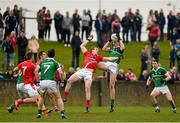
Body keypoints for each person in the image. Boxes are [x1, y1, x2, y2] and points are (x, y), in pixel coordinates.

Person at [63, 35, 118, 113]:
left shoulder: (98, 57)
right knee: (69, 81)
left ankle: (87, 107)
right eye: (96, 49)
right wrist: (88, 39)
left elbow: (108, 58)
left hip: (89, 73)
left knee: (87, 88)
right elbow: (81, 45)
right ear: (92, 50)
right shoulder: (87, 54)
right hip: (83, 70)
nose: (97, 49)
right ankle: (65, 97)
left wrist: (117, 57)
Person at [7, 52, 41, 117]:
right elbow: (36, 72)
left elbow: (15, 69)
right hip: (27, 84)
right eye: (33, 56)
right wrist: (38, 81)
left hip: (19, 85)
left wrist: (11, 73)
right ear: (32, 57)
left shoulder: (22, 63)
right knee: (35, 97)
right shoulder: (32, 65)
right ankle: (17, 102)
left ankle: (12, 107)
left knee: (30, 97)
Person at [35, 49, 66, 118]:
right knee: (58, 97)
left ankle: (39, 113)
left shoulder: (42, 62)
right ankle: (62, 114)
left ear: (47, 55)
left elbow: (36, 71)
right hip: (51, 82)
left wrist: (37, 81)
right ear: (54, 55)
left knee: (41, 97)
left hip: (42, 82)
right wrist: (62, 81)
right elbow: (61, 73)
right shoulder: (55, 62)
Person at [98, 33, 125, 112]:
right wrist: (109, 40)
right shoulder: (111, 48)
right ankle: (89, 72)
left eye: (114, 41)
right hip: (108, 63)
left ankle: (112, 104)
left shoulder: (120, 48)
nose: (113, 42)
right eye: (112, 41)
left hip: (114, 66)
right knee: (96, 64)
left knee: (112, 86)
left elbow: (123, 47)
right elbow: (103, 48)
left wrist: (119, 39)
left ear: (117, 41)